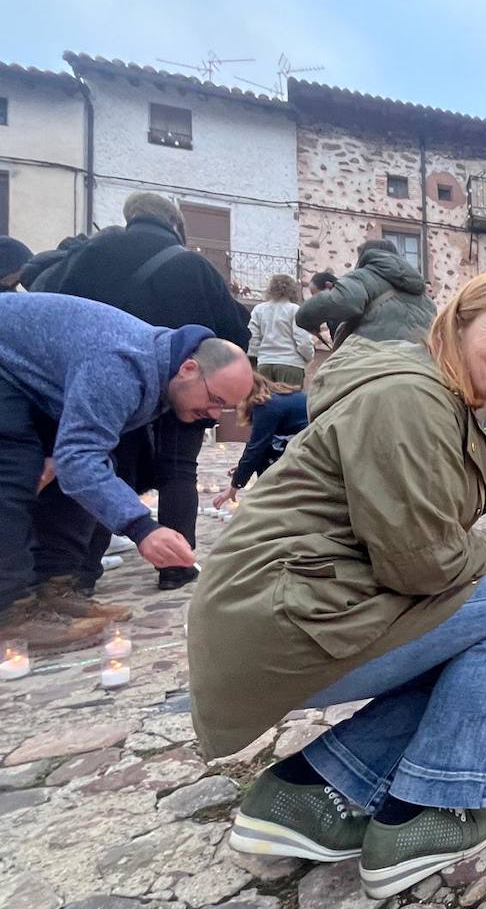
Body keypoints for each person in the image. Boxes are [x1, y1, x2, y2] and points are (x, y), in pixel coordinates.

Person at [190, 269, 486, 899]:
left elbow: (423, 535)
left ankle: (311, 791)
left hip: (286, 609)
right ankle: (437, 806)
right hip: (284, 615)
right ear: (456, 325)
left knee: (464, 625)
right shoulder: (411, 399)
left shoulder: (435, 399)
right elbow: (423, 565)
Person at [0, 293, 252, 651]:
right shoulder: (121, 365)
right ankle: (10, 614)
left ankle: (53, 586)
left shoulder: (159, 370)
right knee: (13, 472)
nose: (214, 415)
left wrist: (64, 455)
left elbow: (82, 457)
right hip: (7, 369)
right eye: (214, 400)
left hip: (33, 382)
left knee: (89, 468)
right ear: (189, 369)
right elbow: (80, 458)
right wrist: (142, 528)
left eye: (223, 408)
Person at [55, 192, 251, 592]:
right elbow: (235, 333)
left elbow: (61, 304)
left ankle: (81, 571)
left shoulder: (91, 254)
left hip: (102, 381)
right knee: (177, 469)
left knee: (106, 465)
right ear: (175, 226)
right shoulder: (193, 265)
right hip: (183, 381)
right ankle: (178, 564)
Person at [297, 241, 435, 349]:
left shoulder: (364, 277)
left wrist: (304, 318)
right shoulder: (425, 298)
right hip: (421, 369)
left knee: (325, 381)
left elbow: (341, 301)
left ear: (366, 257)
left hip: (374, 363)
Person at [211, 375, 309, 509]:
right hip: (304, 441)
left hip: (307, 452)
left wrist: (234, 486)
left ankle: (272, 502)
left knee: (264, 460)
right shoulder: (278, 396)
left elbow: (256, 448)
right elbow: (259, 443)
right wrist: (242, 469)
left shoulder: (266, 406)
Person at [248, 274, 315, 387]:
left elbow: (253, 339)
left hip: (265, 363)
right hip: (291, 364)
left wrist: (255, 360)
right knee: (290, 402)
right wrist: (309, 356)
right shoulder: (295, 310)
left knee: (265, 401)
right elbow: (303, 341)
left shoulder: (259, 310)